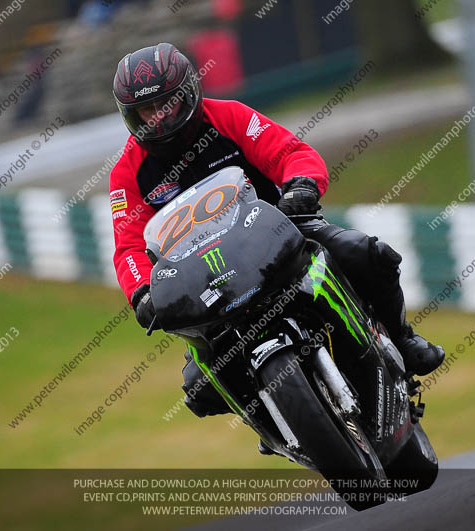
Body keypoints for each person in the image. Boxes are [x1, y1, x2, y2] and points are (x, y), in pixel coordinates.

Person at [110, 43, 444, 418]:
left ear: (188, 94)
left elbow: (290, 152)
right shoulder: (127, 173)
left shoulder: (230, 117)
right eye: (145, 110)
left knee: (364, 252)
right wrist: (140, 292)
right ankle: (271, 417)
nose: (157, 118)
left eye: (166, 104)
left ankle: (402, 338)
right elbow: (128, 247)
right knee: (199, 389)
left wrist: (300, 185)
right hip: (201, 276)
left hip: (277, 232)